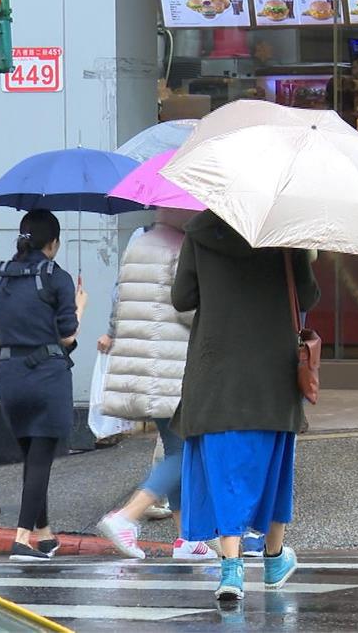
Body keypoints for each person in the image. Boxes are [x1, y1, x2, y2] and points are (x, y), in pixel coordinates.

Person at [172, 210, 319, 600]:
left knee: (223, 467)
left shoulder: (200, 231)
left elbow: (182, 297)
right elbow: (307, 296)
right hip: (271, 370)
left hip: (215, 369)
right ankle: (273, 559)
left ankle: (232, 568)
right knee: (274, 464)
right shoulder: (289, 229)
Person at [96, 209, 217, 561]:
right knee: (186, 452)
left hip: (142, 364)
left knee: (177, 446)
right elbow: (186, 310)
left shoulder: (138, 244)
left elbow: (121, 303)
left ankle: (186, 538)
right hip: (171, 365)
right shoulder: (181, 249)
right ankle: (127, 516)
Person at [0, 209, 86, 561]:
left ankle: (43, 533)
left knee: (31, 456)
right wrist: (80, 309)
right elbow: (68, 337)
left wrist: (19, 351)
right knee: (40, 458)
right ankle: (22, 539)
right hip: (47, 378)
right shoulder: (57, 277)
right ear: (53, 243)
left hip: (10, 377)